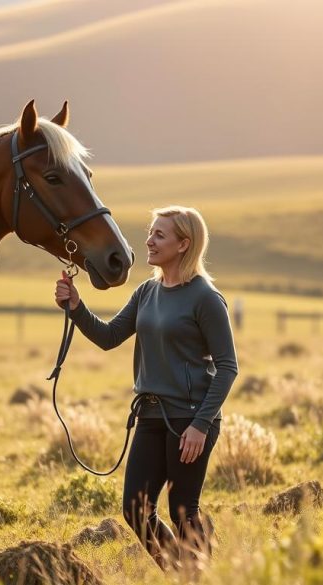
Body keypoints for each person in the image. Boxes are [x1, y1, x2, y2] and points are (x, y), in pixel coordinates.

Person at [54, 205, 239, 571]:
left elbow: (228, 368)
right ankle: (183, 574)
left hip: (190, 419)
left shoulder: (205, 298)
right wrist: (76, 306)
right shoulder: (146, 292)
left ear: (184, 244)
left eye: (159, 235)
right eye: (150, 232)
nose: (149, 241)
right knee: (135, 508)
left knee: (183, 509)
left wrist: (201, 425)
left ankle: (199, 578)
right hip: (151, 414)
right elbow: (109, 337)